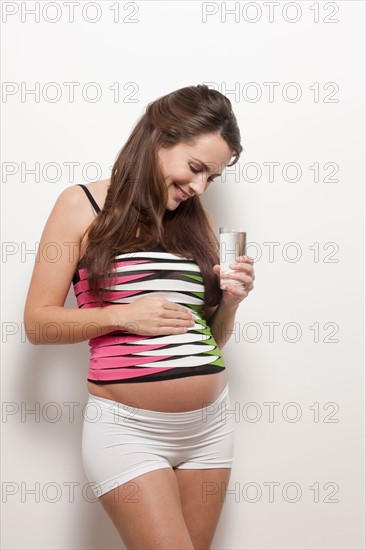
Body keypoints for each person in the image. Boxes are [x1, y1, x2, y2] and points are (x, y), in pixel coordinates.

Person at [24, 84, 255, 550]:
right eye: (195, 169)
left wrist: (230, 301)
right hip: (128, 431)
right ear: (159, 138)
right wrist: (125, 316)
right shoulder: (81, 205)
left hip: (210, 428)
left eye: (211, 177)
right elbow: (38, 324)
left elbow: (208, 338)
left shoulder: (198, 221)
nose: (199, 188)